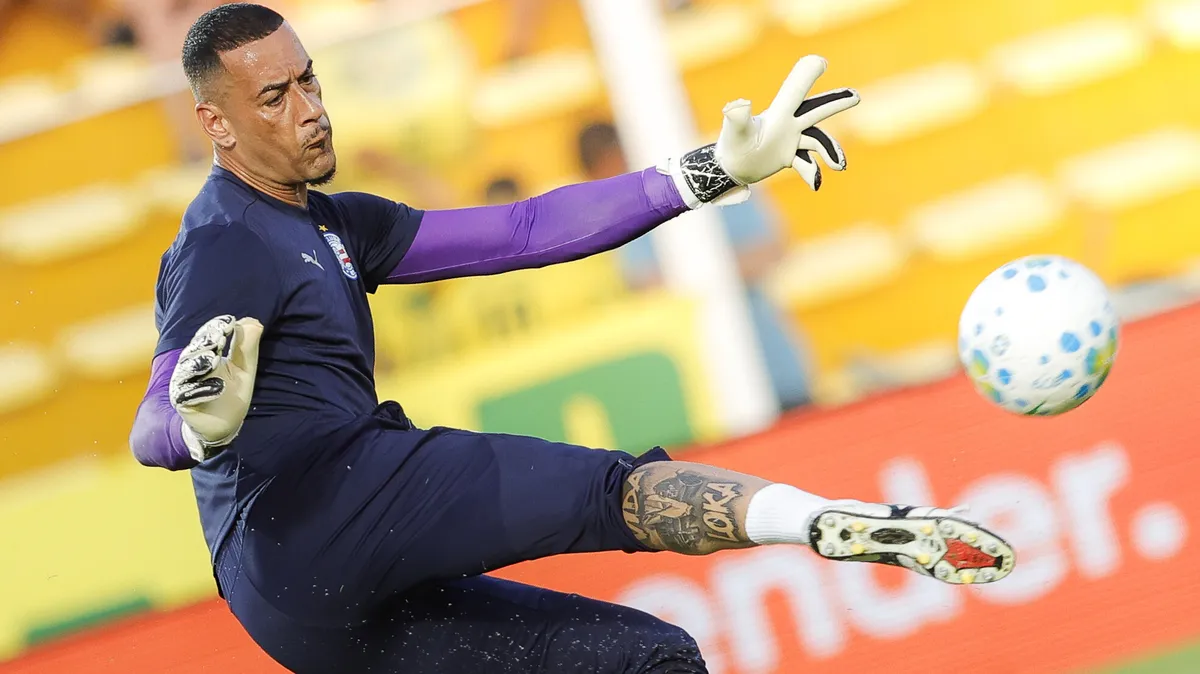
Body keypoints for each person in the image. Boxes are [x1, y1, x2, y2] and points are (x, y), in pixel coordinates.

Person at [128, 5, 1016, 673]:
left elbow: (524, 231)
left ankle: (822, 523)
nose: (310, 109)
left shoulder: (336, 222)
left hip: (296, 611)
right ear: (216, 123)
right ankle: (823, 520)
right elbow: (152, 427)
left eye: (310, 81)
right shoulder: (222, 242)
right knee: (608, 492)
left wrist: (711, 172)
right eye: (275, 97)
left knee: (649, 659)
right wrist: (195, 426)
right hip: (321, 512)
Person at [577, 121, 815, 410]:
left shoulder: (718, 176)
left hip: (771, 365)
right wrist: (719, 272)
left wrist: (697, 277)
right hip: (704, 393)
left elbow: (771, 249)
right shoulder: (628, 218)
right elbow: (646, 287)